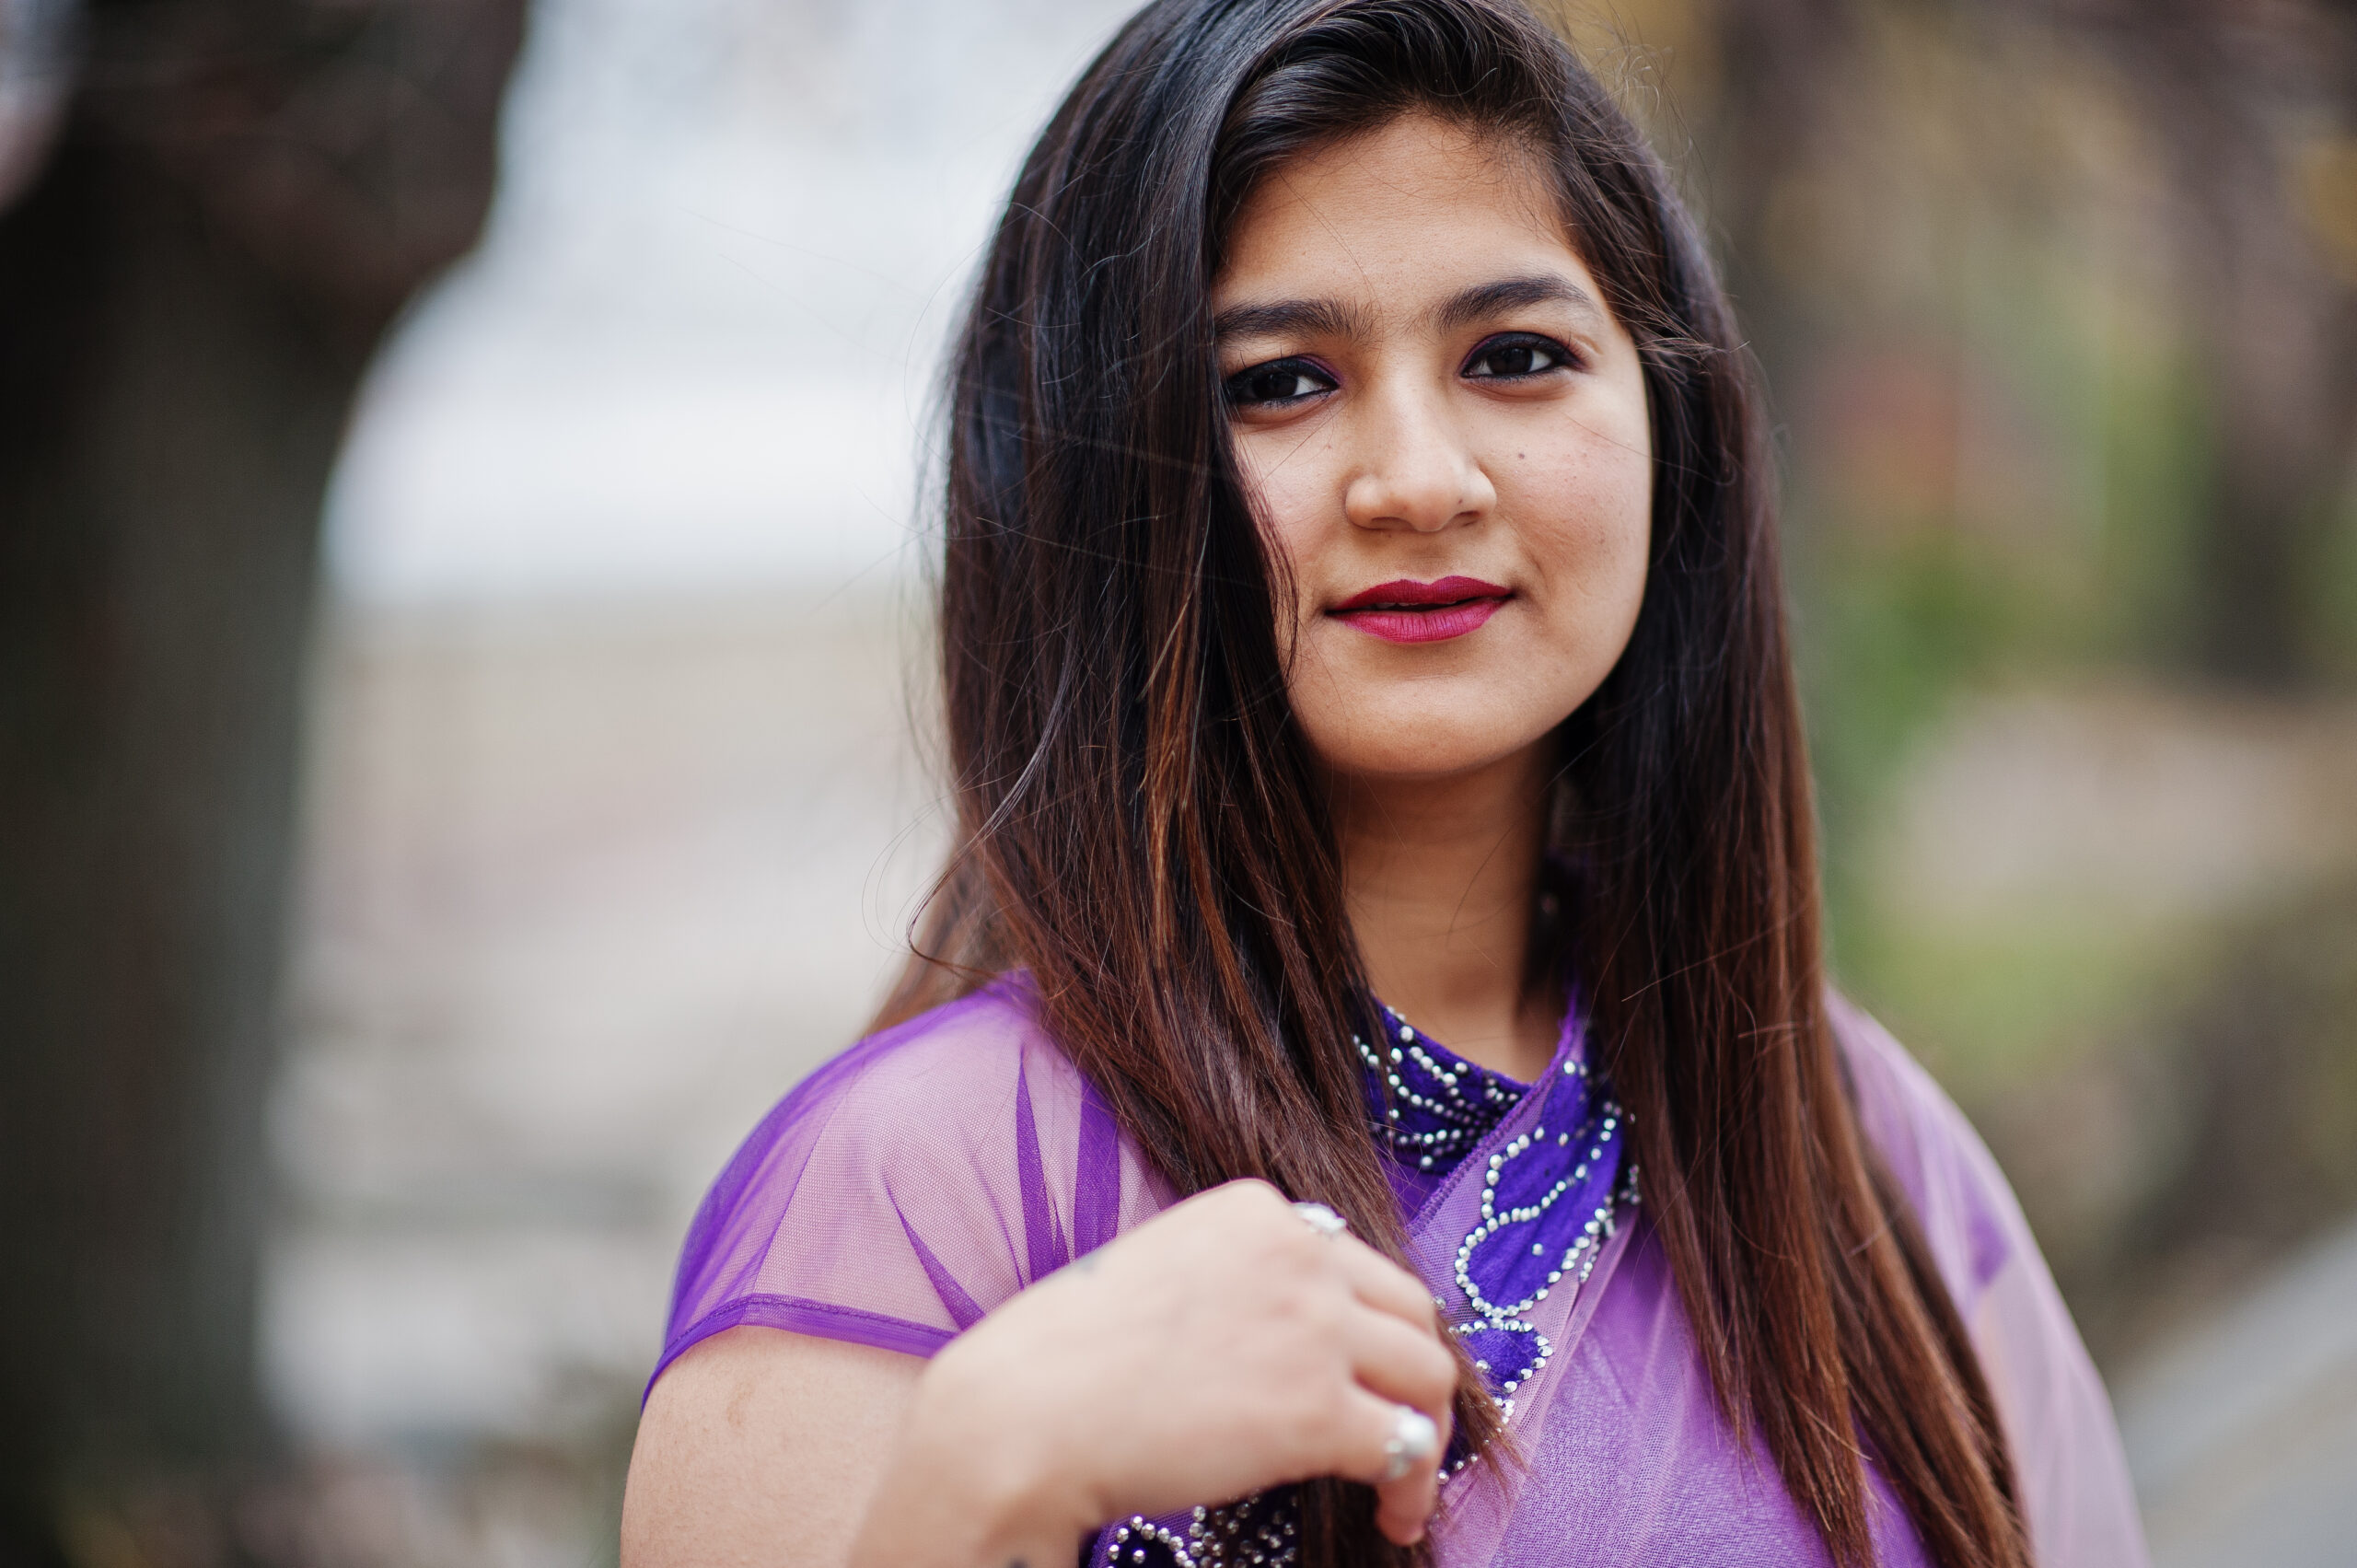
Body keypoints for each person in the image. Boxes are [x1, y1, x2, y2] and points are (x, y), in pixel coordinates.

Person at [618, 2, 2150, 1564]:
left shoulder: (1854, 1144)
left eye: (1517, 357)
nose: (1419, 479)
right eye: (1280, 382)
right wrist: (984, 1475)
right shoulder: (915, 1194)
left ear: (1668, 428)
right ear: (1097, 476)